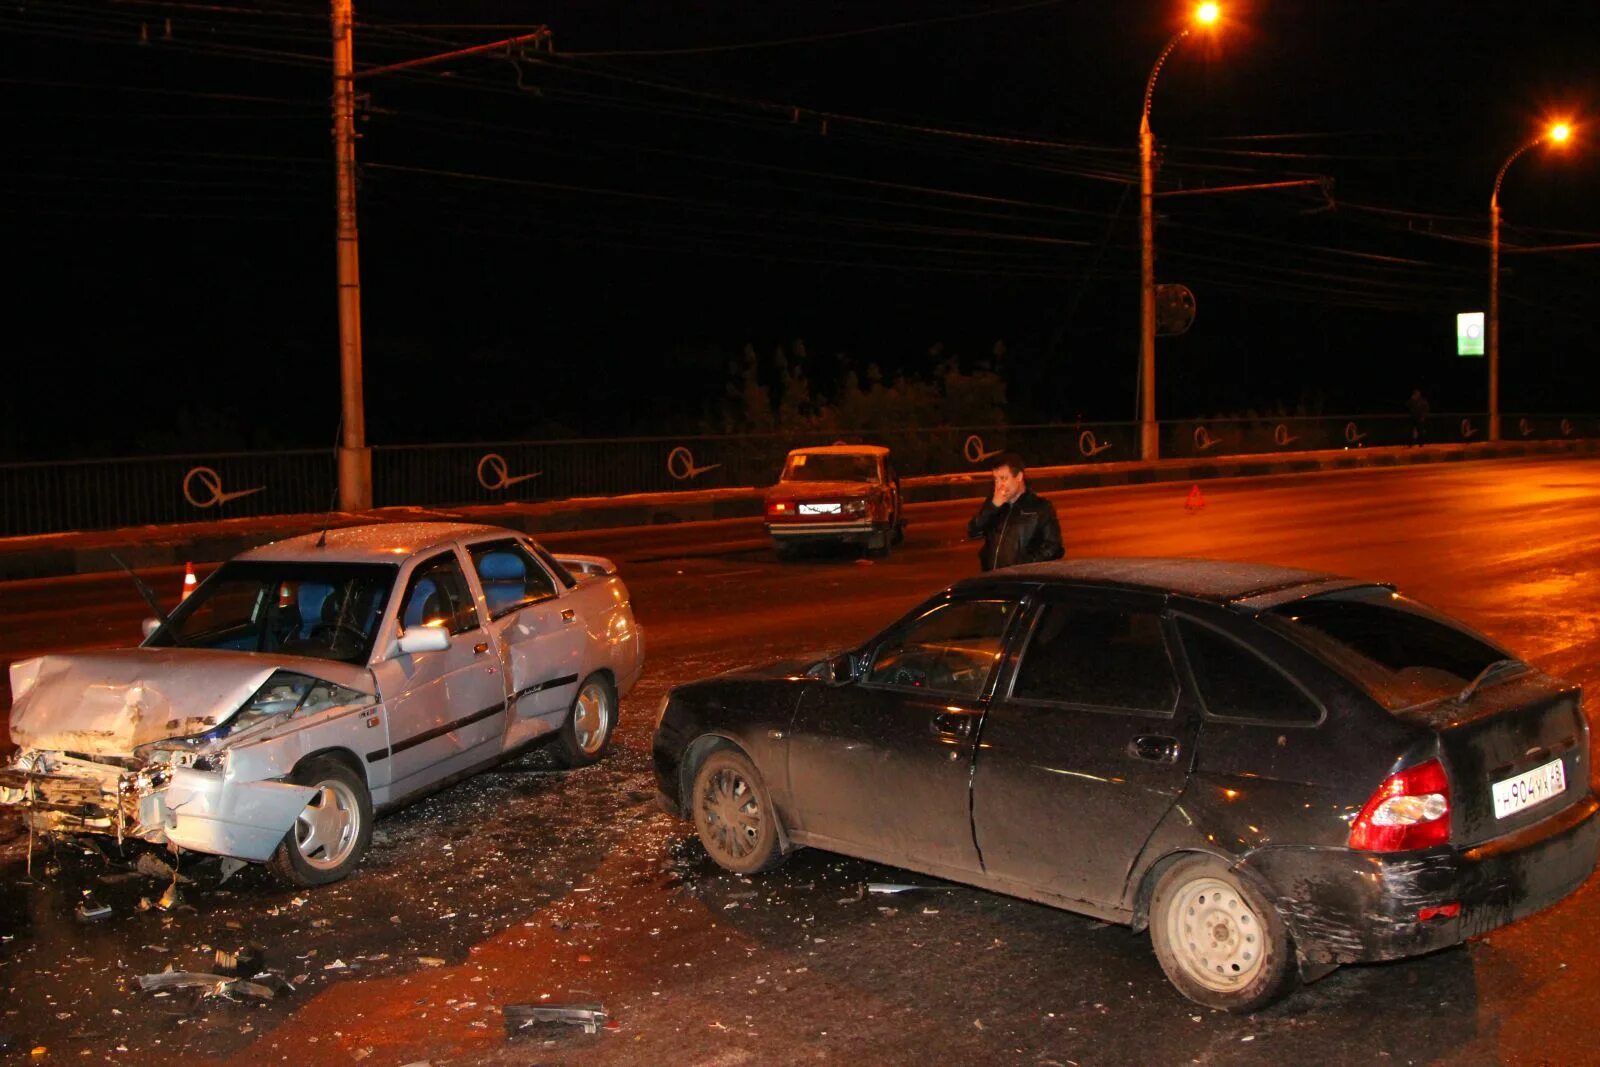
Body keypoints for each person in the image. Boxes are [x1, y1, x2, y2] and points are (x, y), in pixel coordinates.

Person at [966, 452, 1064, 571]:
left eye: (1003, 478)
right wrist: (992, 506)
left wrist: (1023, 566)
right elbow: (973, 531)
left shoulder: (1039, 507)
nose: (999, 486)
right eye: (996, 479)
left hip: (1019, 581)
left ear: (1019, 477)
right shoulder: (994, 504)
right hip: (992, 579)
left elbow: (1054, 548)